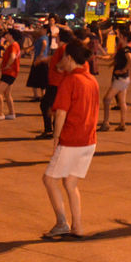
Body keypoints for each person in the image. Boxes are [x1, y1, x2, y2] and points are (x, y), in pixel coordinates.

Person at [42, 40, 99, 239]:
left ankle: (61, 222)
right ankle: (78, 226)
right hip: (89, 140)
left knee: (49, 179)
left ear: (69, 58)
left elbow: (61, 114)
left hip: (72, 138)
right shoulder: (91, 79)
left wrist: (56, 137)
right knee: (70, 184)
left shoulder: (71, 81)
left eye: (63, 57)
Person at [99, 28, 131, 131]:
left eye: (120, 35)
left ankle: (106, 122)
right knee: (122, 101)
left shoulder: (125, 49)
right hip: (123, 78)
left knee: (107, 99)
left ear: (124, 38)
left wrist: (123, 70)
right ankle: (122, 123)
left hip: (120, 79)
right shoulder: (121, 48)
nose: (118, 37)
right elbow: (111, 58)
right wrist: (99, 57)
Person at [0, 27, 21, 120]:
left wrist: (7, 65)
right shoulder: (15, 45)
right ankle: (11, 113)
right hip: (12, 72)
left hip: (9, 72)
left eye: (7, 34)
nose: (5, 36)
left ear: (11, 36)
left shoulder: (13, 46)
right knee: (7, 94)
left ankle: (0, 113)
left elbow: (13, 56)